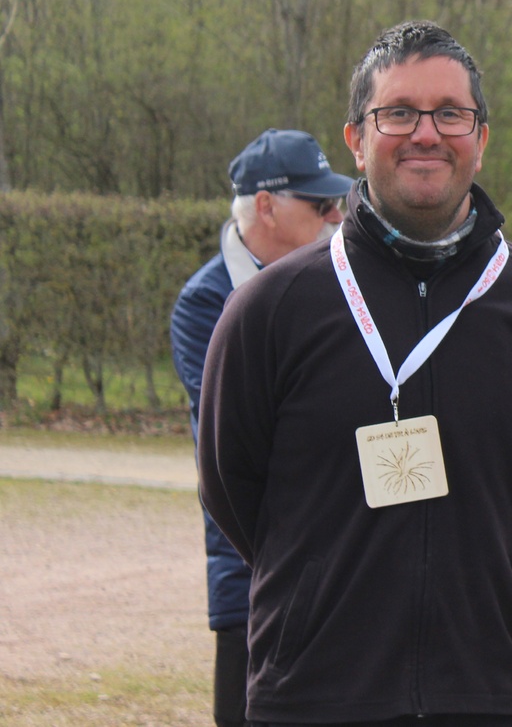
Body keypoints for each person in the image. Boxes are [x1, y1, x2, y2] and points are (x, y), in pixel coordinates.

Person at [197, 21, 512, 726]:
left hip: (482, 691)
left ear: (481, 138)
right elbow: (231, 484)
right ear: (357, 140)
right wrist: (316, 590)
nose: (426, 133)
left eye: (450, 113)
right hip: (311, 694)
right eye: (398, 113)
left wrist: (501, 578)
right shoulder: (271, 309)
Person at [171, 129, 353, 727]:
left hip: (346, 561)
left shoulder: (346, 285)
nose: (336, 216)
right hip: (251, 567)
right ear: (268, 206)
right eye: (320, 204)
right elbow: (249, 434)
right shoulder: (205, 304)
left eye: (337, 203)